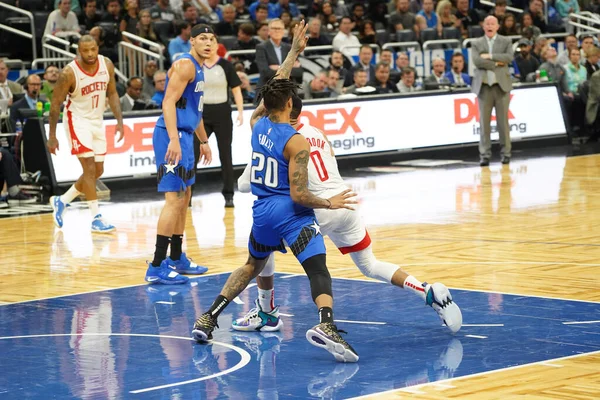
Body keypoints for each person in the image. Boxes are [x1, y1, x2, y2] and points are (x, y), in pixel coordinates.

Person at [192, 22, 360, 363]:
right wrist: (329, 201)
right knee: (317, 268)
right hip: (290, 215)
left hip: (262, 213)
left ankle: (209, 316)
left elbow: (275, 87)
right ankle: (326, 325)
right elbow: (300, 196)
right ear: (287, 104)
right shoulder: (296, 141)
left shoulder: (258, 124)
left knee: (253, 264)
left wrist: (294, 53)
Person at [232, 98, 462, 336]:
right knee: (370, 264)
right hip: (347, 202)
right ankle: (426, 291)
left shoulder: (279, 140)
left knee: (264, 244)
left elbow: (244, 184)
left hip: (321, 207)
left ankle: (266, 313)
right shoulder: (317, 132)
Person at [144, 24, 215, 285]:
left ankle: (176, 257)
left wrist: (203, 140)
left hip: (186, 137)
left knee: (185, 197)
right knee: (173, 199)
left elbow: (192, 108)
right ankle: (156, 265)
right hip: (170, 136)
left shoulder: (199, 68)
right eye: (202, 39)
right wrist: (173, 139)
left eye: (211, 39)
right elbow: (168, 102)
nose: (208, 43)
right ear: (192, 41)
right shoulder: (185, 65)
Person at [47, 35, 124, 232]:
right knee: (89, 169)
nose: (90, 54)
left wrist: (119, 121)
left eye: (93, 49)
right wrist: (52, 135)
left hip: (97, 120)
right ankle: (96, 217)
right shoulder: (68, 73)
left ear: (97, 48)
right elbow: (55, 104)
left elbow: (113, 93)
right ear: (78, 52)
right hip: (77, 120)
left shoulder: (106, 65)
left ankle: (62, 200)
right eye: (85, 51)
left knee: (98, 171)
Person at [194, 37, 244, 208]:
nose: (209, 45)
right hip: (201, 114)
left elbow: (236, 89)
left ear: (217, 46)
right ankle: (188, 193)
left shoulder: (225, 65)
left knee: (226, 155)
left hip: (222, 112)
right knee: (194, 153)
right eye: (206, 41)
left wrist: (240, 111)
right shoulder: (195, 65)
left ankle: (229, 195)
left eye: (213, 41)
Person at [471, 16, 513, 167]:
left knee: (503, 123)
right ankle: (484, 155)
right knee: (484, 124)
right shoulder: (476, 43)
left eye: (492, 24)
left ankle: (506, 154)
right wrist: (497, 63)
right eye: (487, 24)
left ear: (497, 26)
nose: (489, 26)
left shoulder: (506, 41)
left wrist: (490, 57)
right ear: (483, 26)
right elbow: (476, 61)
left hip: (501, 87)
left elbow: (509, 58)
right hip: (484, 87)